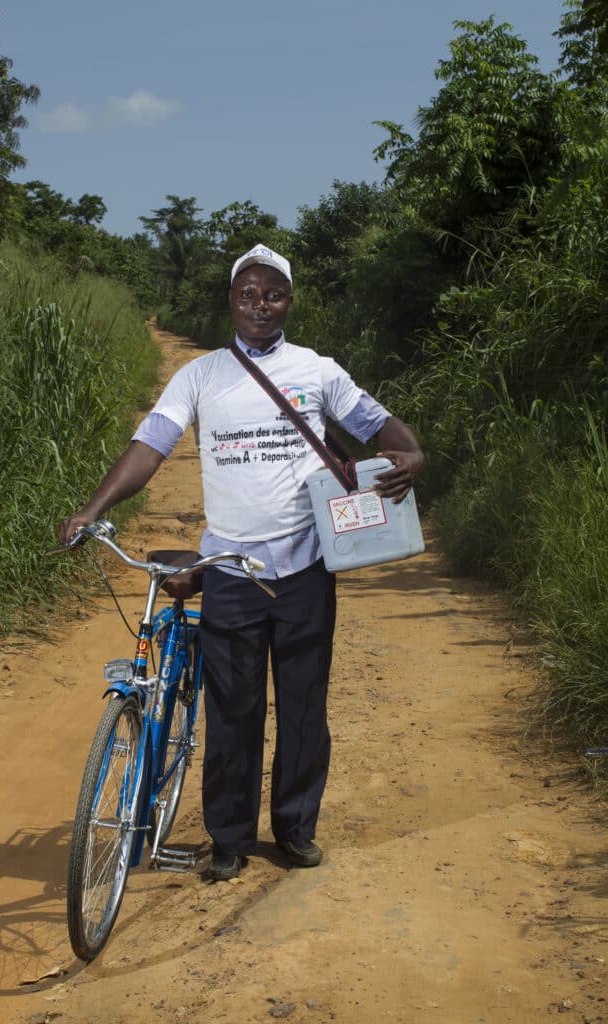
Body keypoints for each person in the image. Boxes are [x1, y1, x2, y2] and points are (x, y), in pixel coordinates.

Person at [59, 243, 425, 881]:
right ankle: (228, 838)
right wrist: (93, 507)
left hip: (306, 567)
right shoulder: (200, 376)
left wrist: (411, 454)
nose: (260, 305)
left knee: (305, 706)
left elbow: (377, 423)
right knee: (233, 712)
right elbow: (150, 446)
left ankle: (294, 829)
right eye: (248, 294)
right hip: (229, 569)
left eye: (273, 294)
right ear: (231, 300)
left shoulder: (317, 370)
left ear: (289, 301)